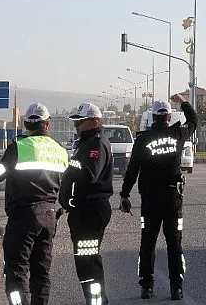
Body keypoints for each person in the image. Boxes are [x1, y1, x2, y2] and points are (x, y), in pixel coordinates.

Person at [0, 103, 68, 305]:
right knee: (41, 273)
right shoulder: (60, 150)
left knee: (16, 273)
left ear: (26, 124)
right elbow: (66, 183)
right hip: (49, 217)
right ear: (47, 124)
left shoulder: (19, 147)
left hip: (23, 218)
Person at [119, 94, 197, 301]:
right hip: (172, 198)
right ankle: (176, 288)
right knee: (174, 243)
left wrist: (125, 195)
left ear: (153, 118)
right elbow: (194, 120)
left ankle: (146, 286)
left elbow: (132, 169)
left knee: (148, 243)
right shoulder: (178, 134)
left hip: (150, 200)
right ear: (169, 117)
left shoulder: (143, 139)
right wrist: (183, 101)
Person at [59, 102, 114, 305]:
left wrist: (71, 169)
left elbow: (90, 175)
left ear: (94, 122)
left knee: (88, 261)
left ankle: (97, 302)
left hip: (91, 211)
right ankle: (94, 300)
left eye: (80, 122)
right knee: (83, 261)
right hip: (82, 211)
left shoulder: (96, 144)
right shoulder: (85, 142)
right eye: (76, 121)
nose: (76, 126)